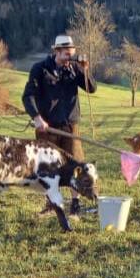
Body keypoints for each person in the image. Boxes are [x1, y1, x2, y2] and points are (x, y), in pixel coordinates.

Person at [22, 34, 97, 216]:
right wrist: (36, 117)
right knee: (48, 168)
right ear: (57, 51)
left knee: (76, 164)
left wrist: (85, 70)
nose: (69, 58)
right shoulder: (40, 69)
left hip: (70, 125)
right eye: (66, 54)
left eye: (72, 53)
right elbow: (27, 96)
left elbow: (92, 88)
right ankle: (51, 204)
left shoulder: (75, 68)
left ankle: (75, 204)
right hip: (47, 127)